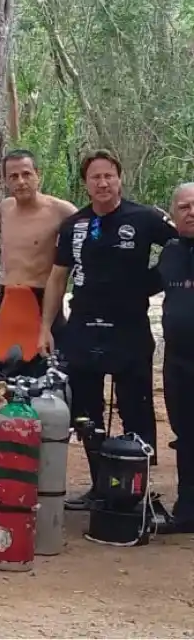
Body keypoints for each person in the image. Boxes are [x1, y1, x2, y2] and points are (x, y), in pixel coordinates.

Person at [38, 149, 176, 511]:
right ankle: (101, 485)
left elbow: (178, 248)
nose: (102, 183)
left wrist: (154, 281)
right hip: (83, 326)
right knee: (86, 412)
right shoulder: (75, 225)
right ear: (86, 184)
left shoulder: (145, 218)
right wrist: (45, 327)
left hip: (130, 327)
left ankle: (135, 491)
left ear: (119, 178)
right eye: (95, 177)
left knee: (136, 409)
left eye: (108, 176)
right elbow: (57, 277)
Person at [0, 149, 76, 374]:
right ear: (5, 180)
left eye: (26, 174)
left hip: (43, 300)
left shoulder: (60, 210)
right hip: (8, 301)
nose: (21, 181)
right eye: (13, 177)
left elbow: (92, 221)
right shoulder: (6, 207)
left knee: (47, 374)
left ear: (37, 175)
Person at [156, 182, 194, 534]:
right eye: (183, 207)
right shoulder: (171, 252)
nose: (191, 212)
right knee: (184, 433)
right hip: (178, 359)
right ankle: (186, 511)